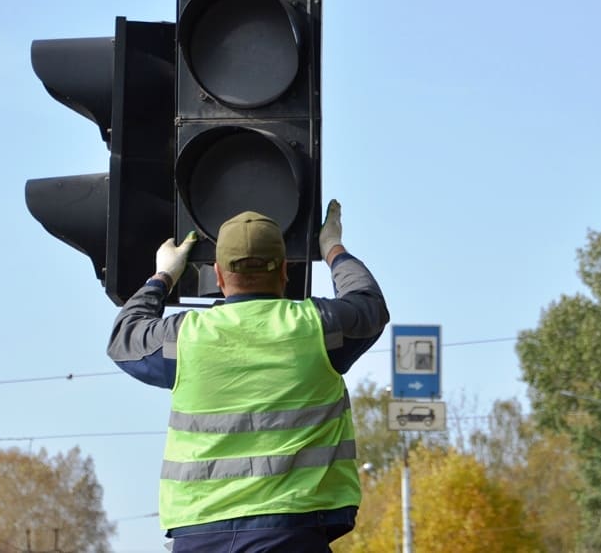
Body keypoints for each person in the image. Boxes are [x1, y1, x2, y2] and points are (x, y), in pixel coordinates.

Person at [107, 200, 389, 552]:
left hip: (200, 534)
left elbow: (125, 339)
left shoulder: (185, 338)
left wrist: (163, 276)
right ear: (285, 270)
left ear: (219, 275)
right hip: (293, 532)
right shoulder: (318, 326)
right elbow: (369, 305)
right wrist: (333, 247)